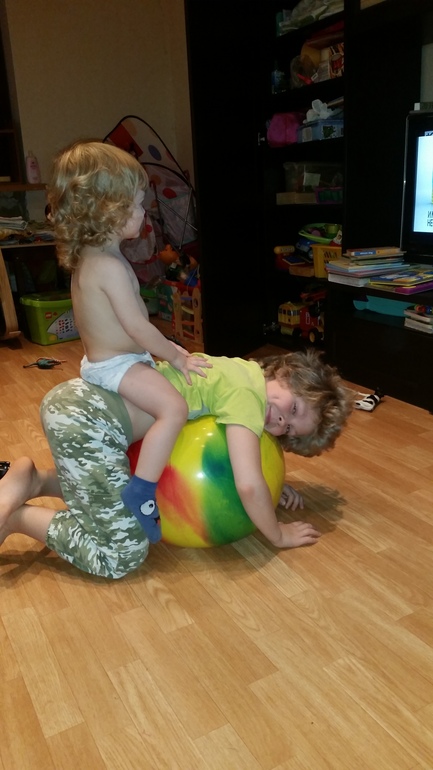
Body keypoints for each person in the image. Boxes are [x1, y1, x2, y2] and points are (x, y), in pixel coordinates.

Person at [0, 349, 353, 579]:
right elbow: (247, 484)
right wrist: (277, 533)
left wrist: (274, 484)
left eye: (289, 429)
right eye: (294, 408)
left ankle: (36, 480)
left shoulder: (239, 371)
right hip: (90, 424)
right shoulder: (249, 398)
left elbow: (240, 462)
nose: (280, 422)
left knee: (112, 491)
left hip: (82, 406)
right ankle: (18, 517)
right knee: (121, 554)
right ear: (287, 374)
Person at [46, 140, 211, 544]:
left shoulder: (91, 257)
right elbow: (138, 328)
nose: (144, 212)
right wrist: (176, 356)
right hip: (117, 365)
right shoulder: (109, 266)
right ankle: (142, 491)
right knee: (174, 408)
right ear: (107, 210)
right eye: (137, 205)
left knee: (164, 403)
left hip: (110, 361)